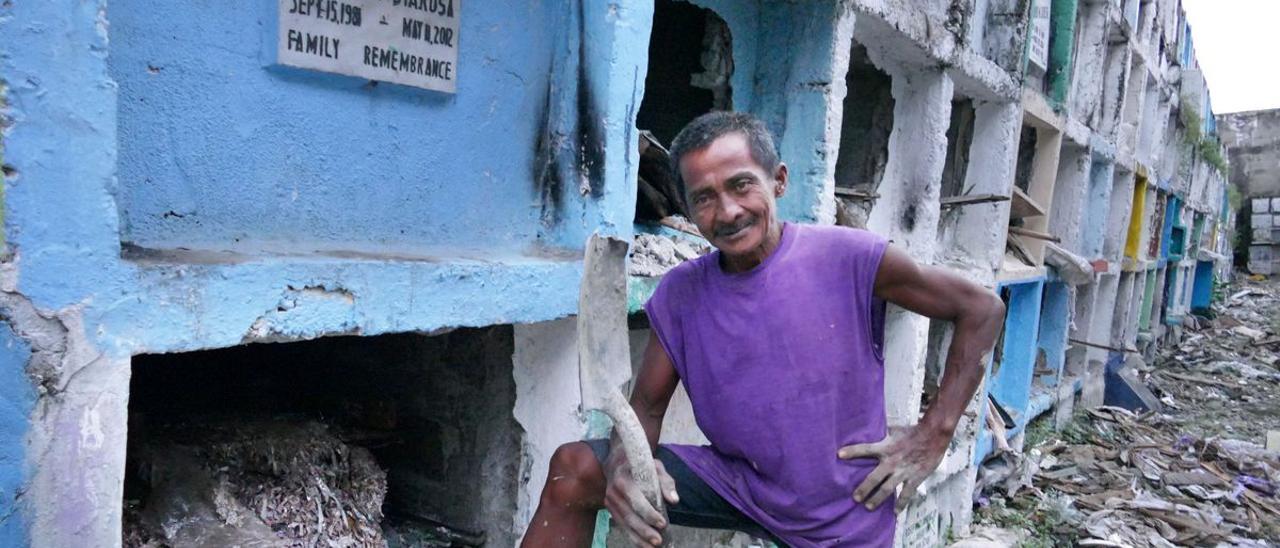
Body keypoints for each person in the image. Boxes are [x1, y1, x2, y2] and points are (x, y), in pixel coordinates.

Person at [520, 112, 1005, 547]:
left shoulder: (851, 258)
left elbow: (980, 310)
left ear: (778, 181)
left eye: (741, 185)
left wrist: (934, 432)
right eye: (704, 198)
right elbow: (644, 407)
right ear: (687, 210)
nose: (727, 211)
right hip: (739, 485)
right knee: (575, 470)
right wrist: (624, 467)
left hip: (842, 508)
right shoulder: (681, 293)